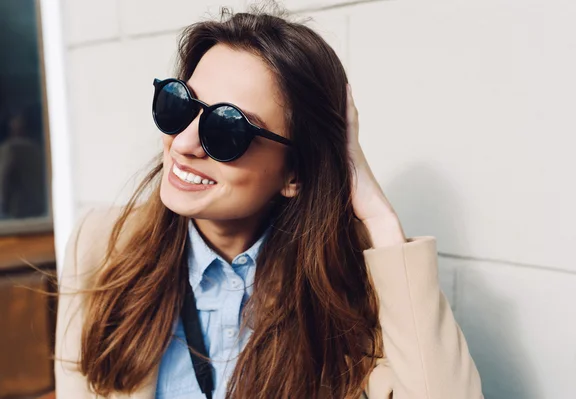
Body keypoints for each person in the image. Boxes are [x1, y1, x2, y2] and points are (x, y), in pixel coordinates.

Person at [54, 8, 483, 399]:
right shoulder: (101, 247)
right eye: (179, 104)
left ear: (294, 173)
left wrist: (380, 219)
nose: (183, 144)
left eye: (226, 129)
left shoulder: (353, 285)